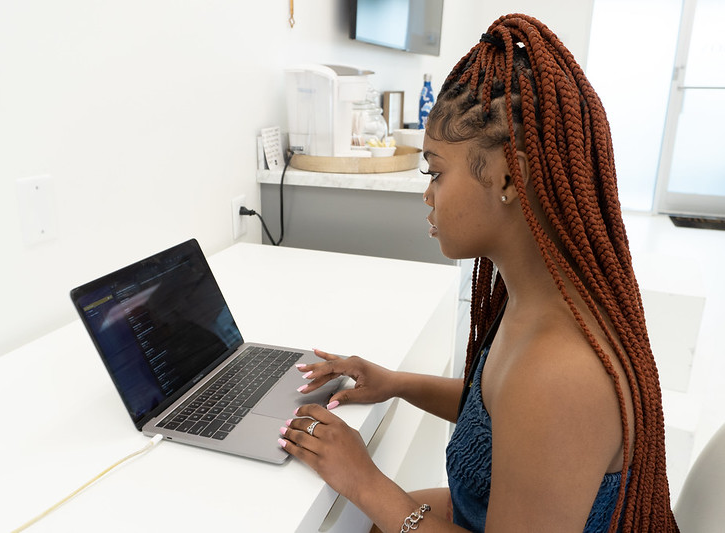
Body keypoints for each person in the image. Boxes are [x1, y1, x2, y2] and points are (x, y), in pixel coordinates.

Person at [277, 13, 678, 533]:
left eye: (436, 172)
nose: (427, 194)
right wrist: (395, 383)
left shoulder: (560, 375)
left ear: (511, 175)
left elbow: (530, 405)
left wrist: (365, 479)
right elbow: (498, 412)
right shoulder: (536, 301)